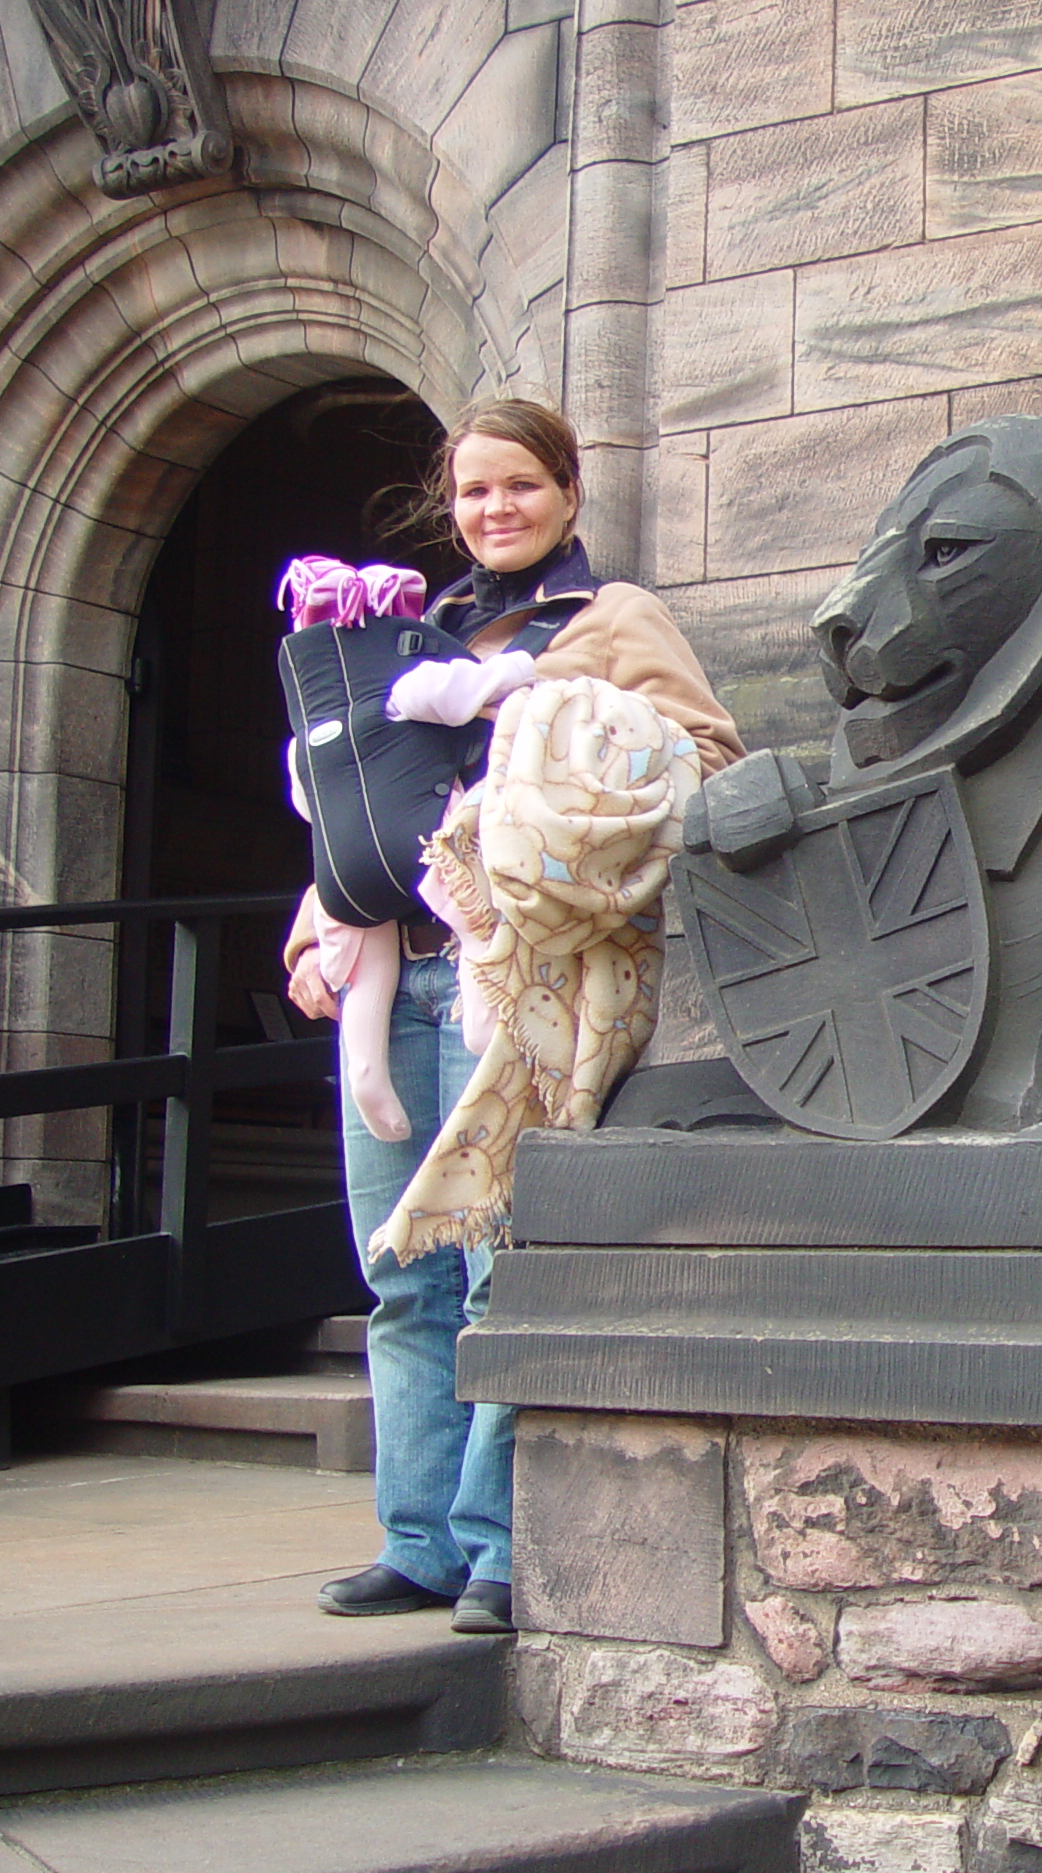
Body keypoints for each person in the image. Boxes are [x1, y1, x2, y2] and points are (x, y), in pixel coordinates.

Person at [287, 396, 742, 1634]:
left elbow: (702, 753)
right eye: (475, 491)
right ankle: (417, 1540)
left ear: (567, 495)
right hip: (398, 968)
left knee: (499, 1268)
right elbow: (351, 796)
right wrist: (311, 929)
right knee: (401, 1275)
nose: (495, 510)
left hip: (523, 975)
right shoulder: (407, 632)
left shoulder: (612, 619)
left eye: (519, 487)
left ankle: (493, 1548)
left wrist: (546, 720)